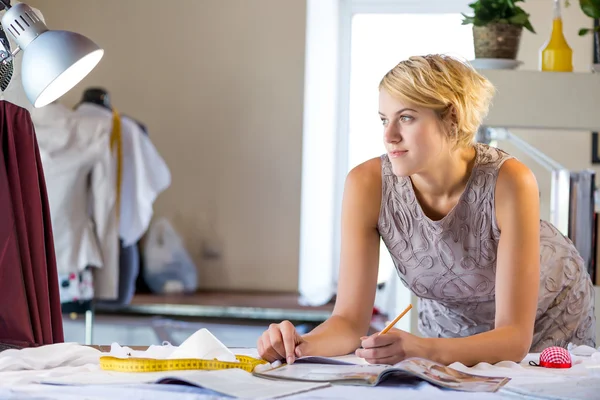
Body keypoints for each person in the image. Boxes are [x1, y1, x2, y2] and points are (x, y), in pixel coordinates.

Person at [257, 54, 596, 367]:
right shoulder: (366, 184)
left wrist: (422, 348)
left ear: (451, 118)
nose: (389, 136)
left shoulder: (510, 181)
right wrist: (300, 344)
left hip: (549, 317)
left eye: (405, 118)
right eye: (383, 119)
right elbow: (348, 321)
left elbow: (513, 338)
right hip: (448, 331)